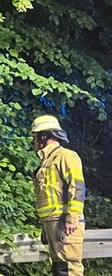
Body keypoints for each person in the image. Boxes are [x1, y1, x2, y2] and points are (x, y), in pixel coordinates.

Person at [30, 115, 85, 276]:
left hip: (65, 222)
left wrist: (72, 217)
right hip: (53, 223)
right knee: (60, 268)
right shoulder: (47, 161)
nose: (34, 141)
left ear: (44, 136)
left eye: (35, 137)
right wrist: (45, 227)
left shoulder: (65, 156)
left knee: (68, 268)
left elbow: (77, 187)